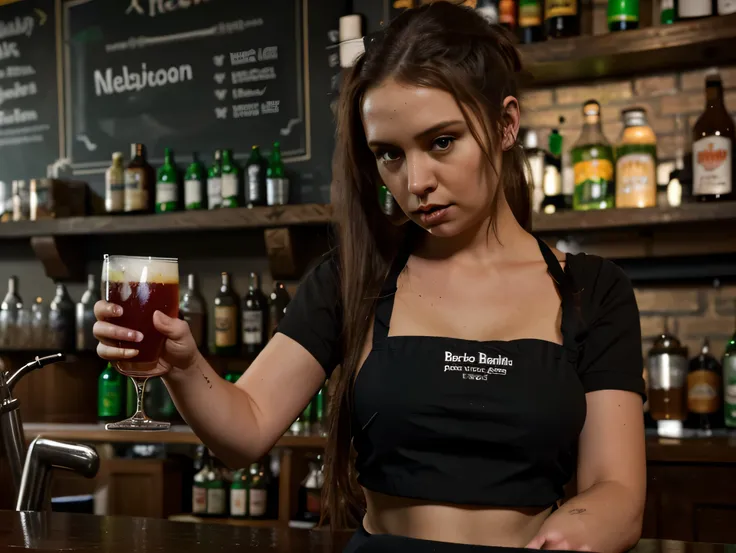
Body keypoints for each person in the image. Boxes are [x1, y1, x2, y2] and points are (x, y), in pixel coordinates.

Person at [93, 3, 646, 552]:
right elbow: (249, 429)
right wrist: (185, 368)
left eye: (442, 141)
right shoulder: (353, 279)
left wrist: (580, 530)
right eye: (389, 155)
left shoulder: (593, 291)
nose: (416, 181)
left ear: (505, 124)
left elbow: (617, 489)